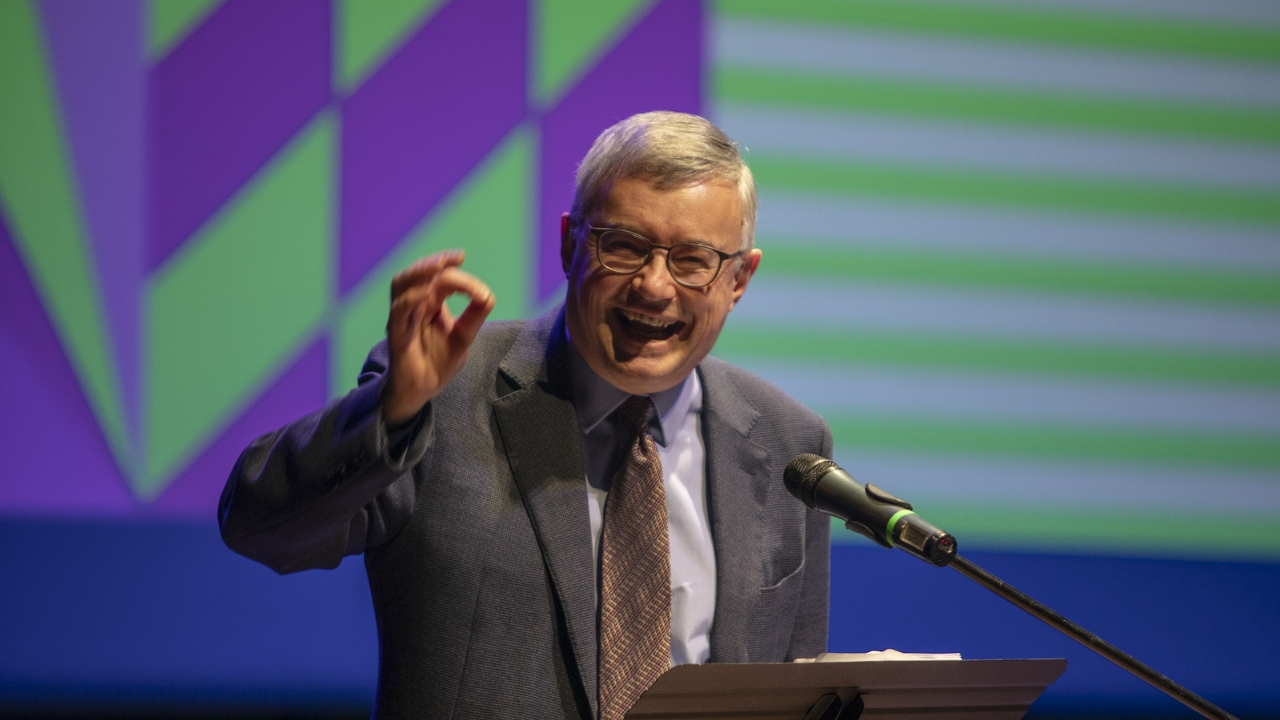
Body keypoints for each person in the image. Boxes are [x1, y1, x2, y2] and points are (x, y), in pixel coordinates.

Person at [219, 111, 832, 720]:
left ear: (739, 279)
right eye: (623, 246)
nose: (653, 286)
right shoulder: (447, 394)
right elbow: (260, 525)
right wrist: (391, 411)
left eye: (693, 260)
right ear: (570, 245)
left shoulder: (789, 445)